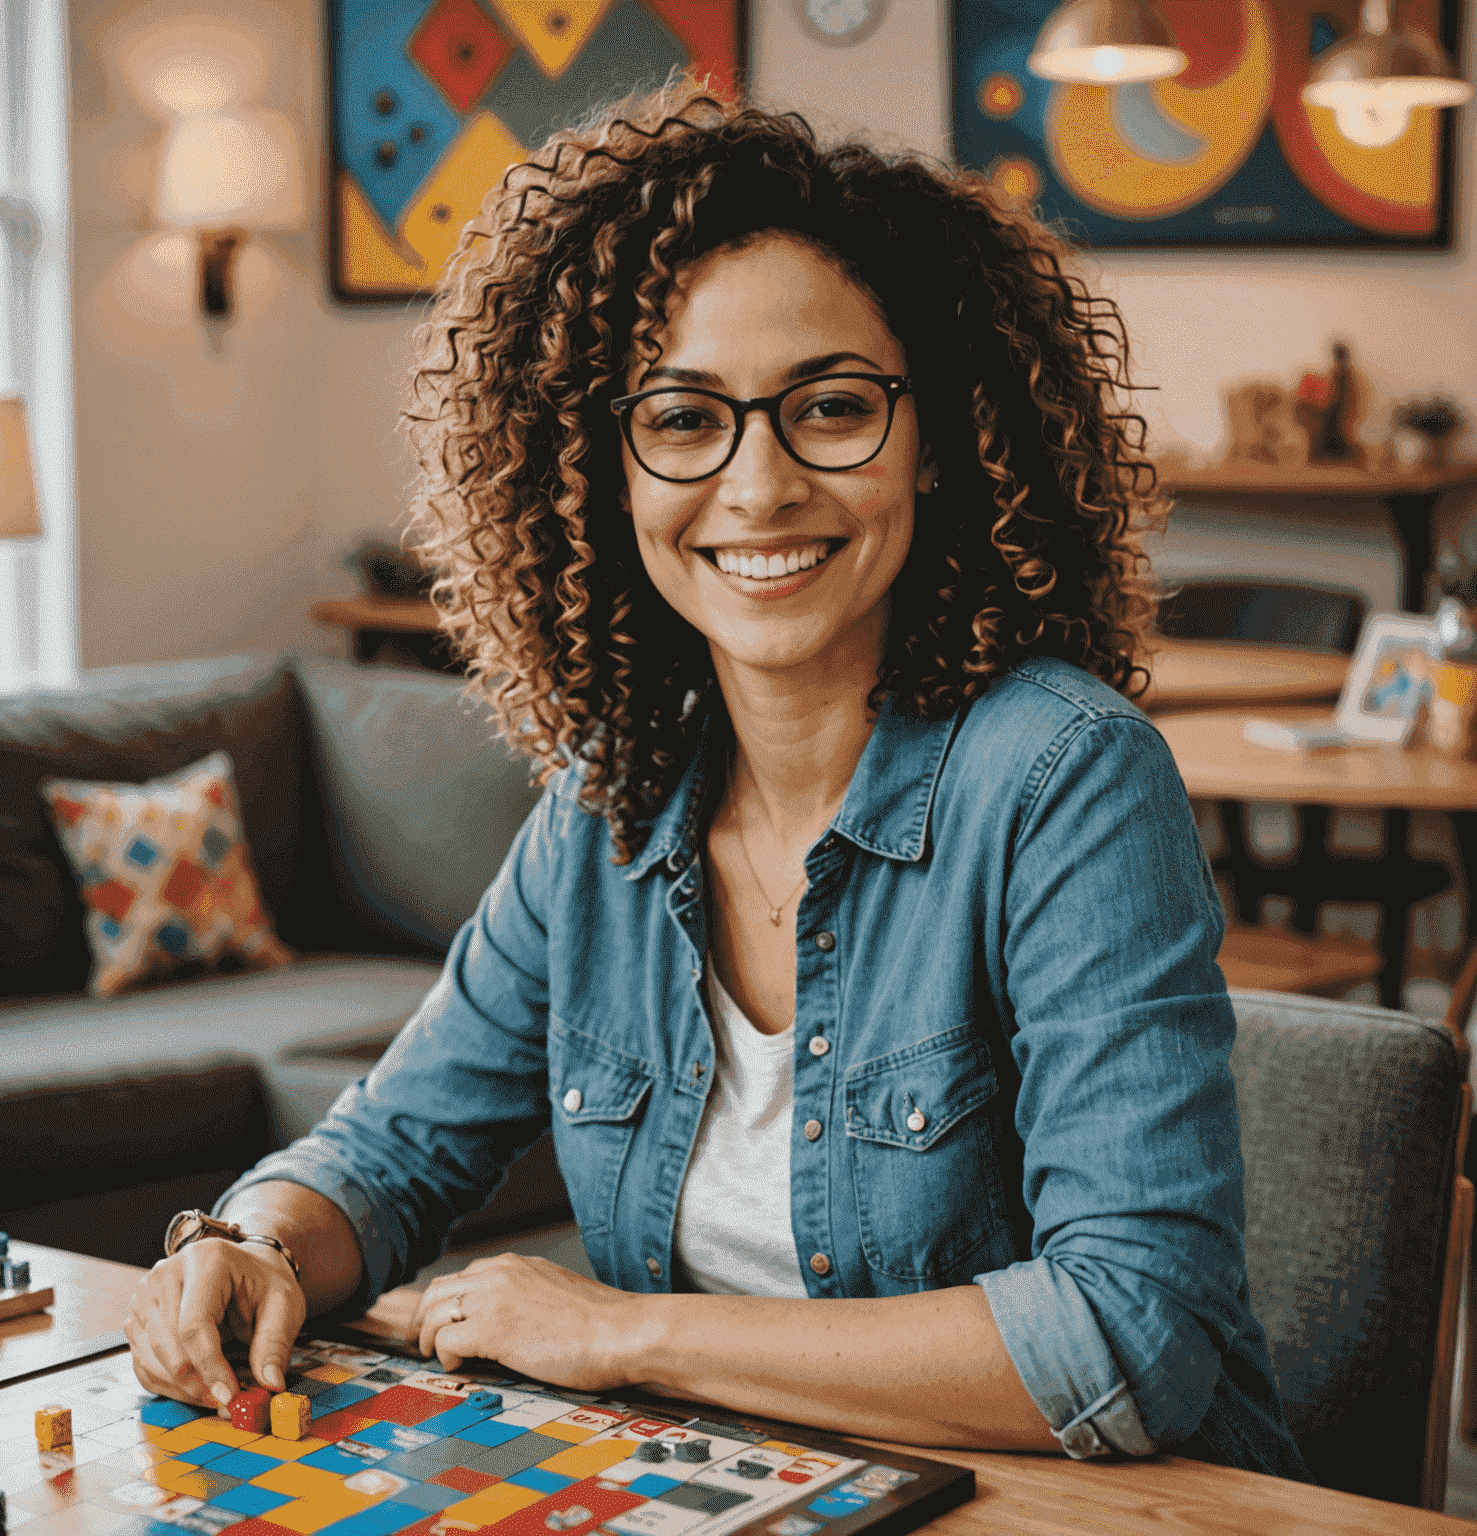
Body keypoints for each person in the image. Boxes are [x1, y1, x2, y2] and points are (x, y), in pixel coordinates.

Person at [125, 84, 1308, 1478]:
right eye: (684, 420)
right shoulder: (609, 799)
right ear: (602, 472)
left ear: (940, 441)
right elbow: (392, 1153)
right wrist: (251, 1242)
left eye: (831, 407)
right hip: (748, 1497)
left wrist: (630, 1334)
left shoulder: (1062, 779)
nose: (757, 486)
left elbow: (1130, 1334)